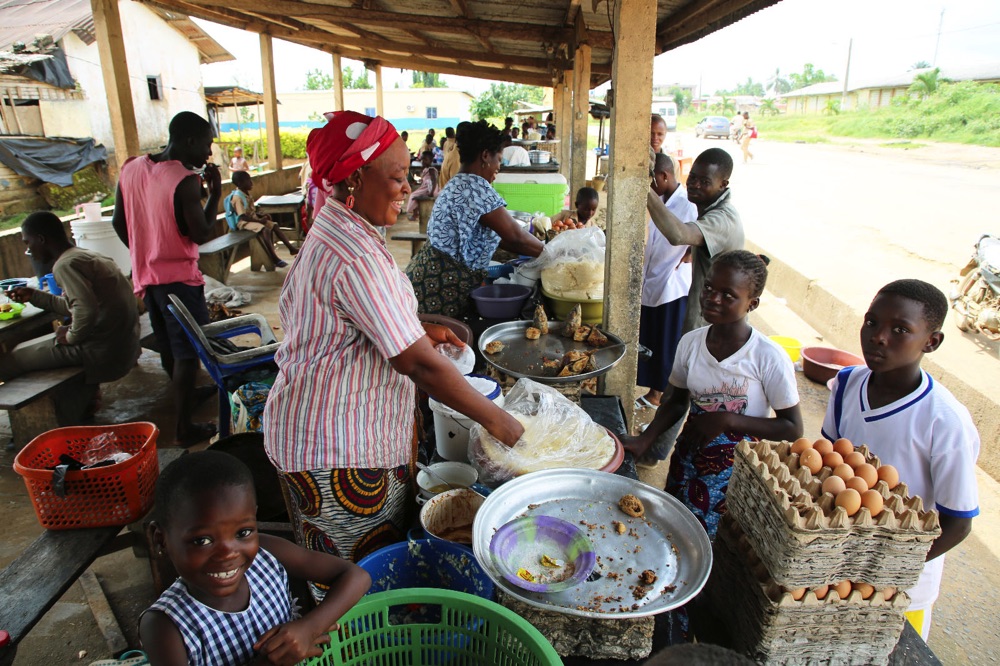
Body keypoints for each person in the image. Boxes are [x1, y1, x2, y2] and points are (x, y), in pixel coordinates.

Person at [263, 111, 524, 567]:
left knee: (361, 572)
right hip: (335, 451)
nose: (409, 188)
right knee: (354, 581)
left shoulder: (342, 229)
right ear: (357, 178)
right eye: (399, 177)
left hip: (320, 434)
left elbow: (344, 323)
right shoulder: (353, 252)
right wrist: (503, 425)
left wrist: (416, 326)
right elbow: (419, 366)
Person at [821, 279, 979, 641]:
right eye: (872, 322)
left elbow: (958, 523)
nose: (878, 337)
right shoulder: (847, 384)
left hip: (903, 582)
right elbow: (831, 463)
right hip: (840, 559)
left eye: (900, 330)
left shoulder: (944, 421)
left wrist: (887, 569)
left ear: (931, 342)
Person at [625, 251, 803, 539]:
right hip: (691, 453)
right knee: (675, 528)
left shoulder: (768, 357)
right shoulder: (691, 343)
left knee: (719, 540)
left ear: (752, 303)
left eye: (727, 294)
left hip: (738, 469)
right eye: (708, 287)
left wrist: (727, 420)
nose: (712, 298)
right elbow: (676, 401)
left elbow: (792, 428)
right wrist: (646, 439)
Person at [141, 451, 371, 666]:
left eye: (242, 533)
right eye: (202, 541)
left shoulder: (267, 552)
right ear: (160, 539)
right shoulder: (165, 627)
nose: (228, 553)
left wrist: (310, 627)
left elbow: (356, 576)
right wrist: (271, 661)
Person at [113, 110, 220, 447]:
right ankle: (184, 427)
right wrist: (214, 193)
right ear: (188, 141)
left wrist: (145, 250)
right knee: (189, 352)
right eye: (206, 145)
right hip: (179, 281)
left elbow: (119, 222)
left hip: (148, 278)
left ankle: (185, 397)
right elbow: (200, 234)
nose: (208, 154)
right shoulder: (184, 178)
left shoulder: (130, 168)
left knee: (169, 347)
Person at [405, 120, 544, 321]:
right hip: (441, 285)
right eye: (499, 159)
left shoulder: (457, 183)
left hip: (426, 277)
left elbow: (497, 234)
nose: (499, 167)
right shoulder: (476, 188)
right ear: (485, 155)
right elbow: (516, 238)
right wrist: (551, 254)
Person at [3, 212, 139, 392]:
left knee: (10, 360)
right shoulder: (84, 255)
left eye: (28, 242)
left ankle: (78, 401)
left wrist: (70, 337)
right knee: (24, 348)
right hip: (125, 343)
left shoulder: (65, 265)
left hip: (103, 350)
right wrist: (34, 296)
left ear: (41, 239)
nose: (29, 250)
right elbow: (80, 306)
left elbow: (86, 311)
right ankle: (84, 397)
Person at [646, 147, 744, 334]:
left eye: (704, 181)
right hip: (704, 313)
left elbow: (678, 235)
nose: (694, 184)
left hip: (714, 323)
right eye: (692, 177)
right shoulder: (705, 209)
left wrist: (644, 186)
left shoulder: (722, 219)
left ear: (723, 184)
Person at [636, 154, 698, 413]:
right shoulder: (661, 201)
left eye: (652, 183)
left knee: (665, 342)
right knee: (650, 339)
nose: (651, 189)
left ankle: (657, 395)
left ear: (663, 176)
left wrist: (688, 256)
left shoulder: (688, 207)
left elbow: (695, 241)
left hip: (672, 286)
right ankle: (651, 389)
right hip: (653, 281)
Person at [225, 171, 299, 267]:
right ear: (240, 183)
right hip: (243, 223)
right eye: (248, 180)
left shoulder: (245, 194)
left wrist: (260, 216)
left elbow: (250, 211)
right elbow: (242, 216)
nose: (251, 182)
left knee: (274, 225)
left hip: (251, 219)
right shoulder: (237, 197)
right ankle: (274, 258)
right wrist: (259, 221)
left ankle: (291, 249)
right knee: (265, 229)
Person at [406, 150, 440, 220]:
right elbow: (424, 181)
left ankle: (414, 213)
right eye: (422, 159)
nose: (423, 161)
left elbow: (434, 181)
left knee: (413, 195)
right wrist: (417, 182)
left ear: (430, 160)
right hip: (426, 188)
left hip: (429, 189)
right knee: (416, 197)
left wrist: (432, 192)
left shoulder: (431, 170)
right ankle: (415, 214)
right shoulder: (426, 169)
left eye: (425, 159)